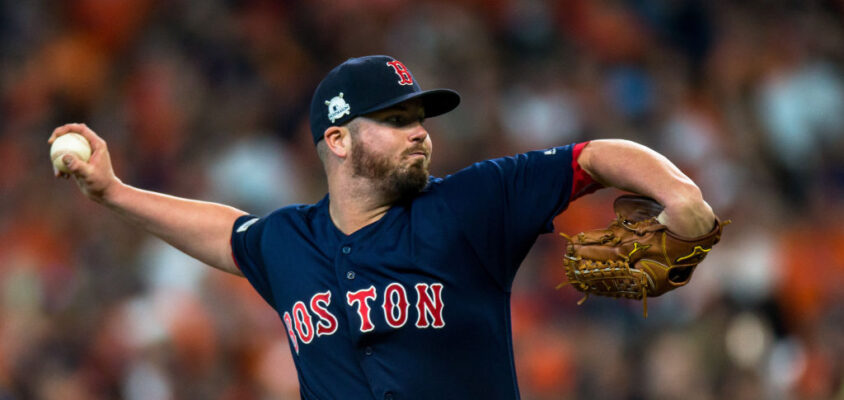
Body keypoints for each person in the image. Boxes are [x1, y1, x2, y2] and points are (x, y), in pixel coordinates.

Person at [51, 55, 715, 399]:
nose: (419, 134)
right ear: (338, 141)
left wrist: (679, 193)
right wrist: (113, 192)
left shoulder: (470, 207)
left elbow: (591, 156)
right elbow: (226, 233)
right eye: (396, 121)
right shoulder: (290, 243)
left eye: (420, 120)